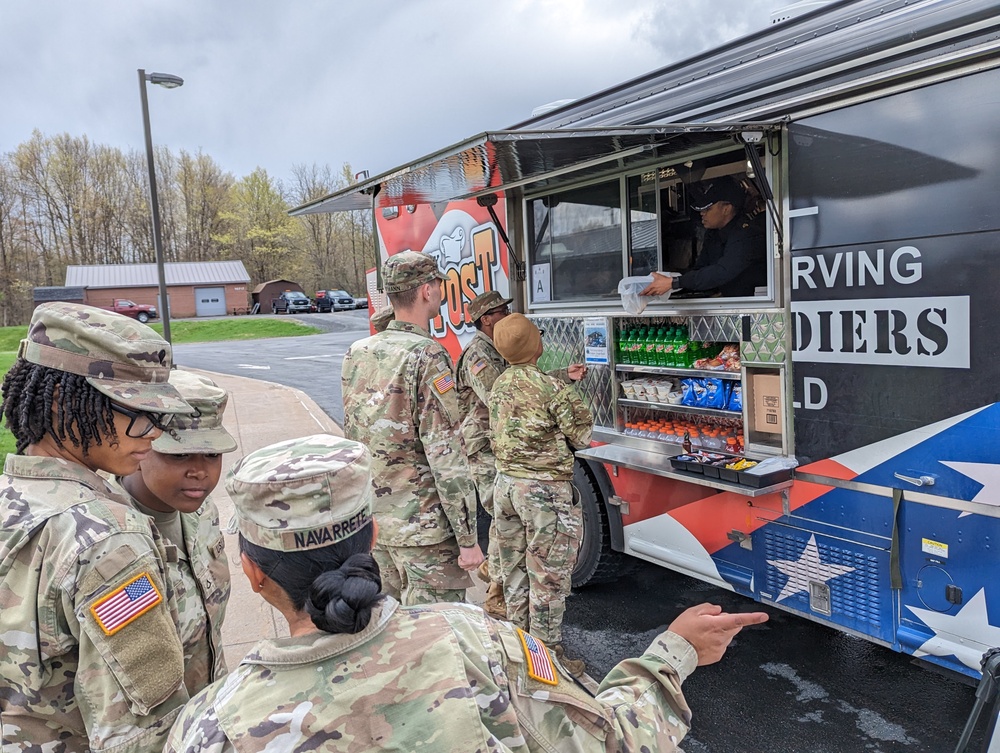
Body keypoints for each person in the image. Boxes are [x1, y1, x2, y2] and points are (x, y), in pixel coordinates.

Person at [164, 433, 769, 753]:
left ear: (252, 572)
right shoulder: (472, 640)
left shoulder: (208, 728)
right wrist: (676, 651)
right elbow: (613, 737)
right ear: (373, 535)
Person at [0, 302, 196, 752]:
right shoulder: (108, 540)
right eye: (138, 411)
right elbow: (146, 731)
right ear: (60, 401)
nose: (154, 431)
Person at [341, 251, 483, 605]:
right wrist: (468, 539)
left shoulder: (358, 351)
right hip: (425, 534)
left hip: (376, 526)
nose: (439, 291)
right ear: (426, 291)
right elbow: (446, 454)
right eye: (437, 284)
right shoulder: (426, 355)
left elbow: (353, 438)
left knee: (391, 633)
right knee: (436, 639)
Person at [456, 290, 586, 619]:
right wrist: (555, 389)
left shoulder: (495, 349)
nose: (508, 316)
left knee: (509, 527)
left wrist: (558, 377)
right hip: (486, 445)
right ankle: (497, 594)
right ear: (486, 319)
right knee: (505, 528)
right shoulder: (478, 355)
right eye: (501, 312)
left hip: (504, 445)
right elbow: (503, 395)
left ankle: (502, 584)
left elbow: (517, 384)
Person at [112, 370, 238, 697]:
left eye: (212, 454)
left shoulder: (201, 513)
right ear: (140, 448)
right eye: (179, 454)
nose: (200, 471)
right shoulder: (112, 543)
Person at [488, 313, 593, 676]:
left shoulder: (499, 383)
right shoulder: (552, 389)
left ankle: (518, 649)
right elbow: (582, 435)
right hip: (544, 492)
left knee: (514, 570)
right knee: (548, 576)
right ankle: (547, 659)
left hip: (506, 487)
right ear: (537, 345)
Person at [640, 177, 766, 298]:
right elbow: (700, 269)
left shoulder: (747, 233)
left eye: (708, 208)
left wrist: (674, 282)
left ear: (726, 209)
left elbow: (722, 272)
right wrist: (670, 279)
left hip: (750, 305)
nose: (702, 212)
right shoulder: (712, 234)